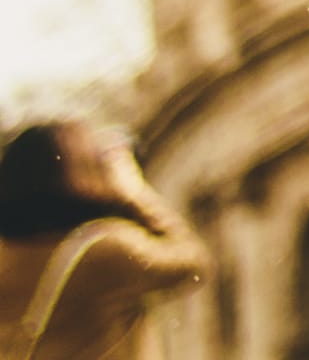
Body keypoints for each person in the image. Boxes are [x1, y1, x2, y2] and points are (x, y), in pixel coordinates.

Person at [0, 122, 207, 360]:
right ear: (76, 174)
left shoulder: (6, 255)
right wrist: (134, 191)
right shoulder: (104, 250)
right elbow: (193, 261)